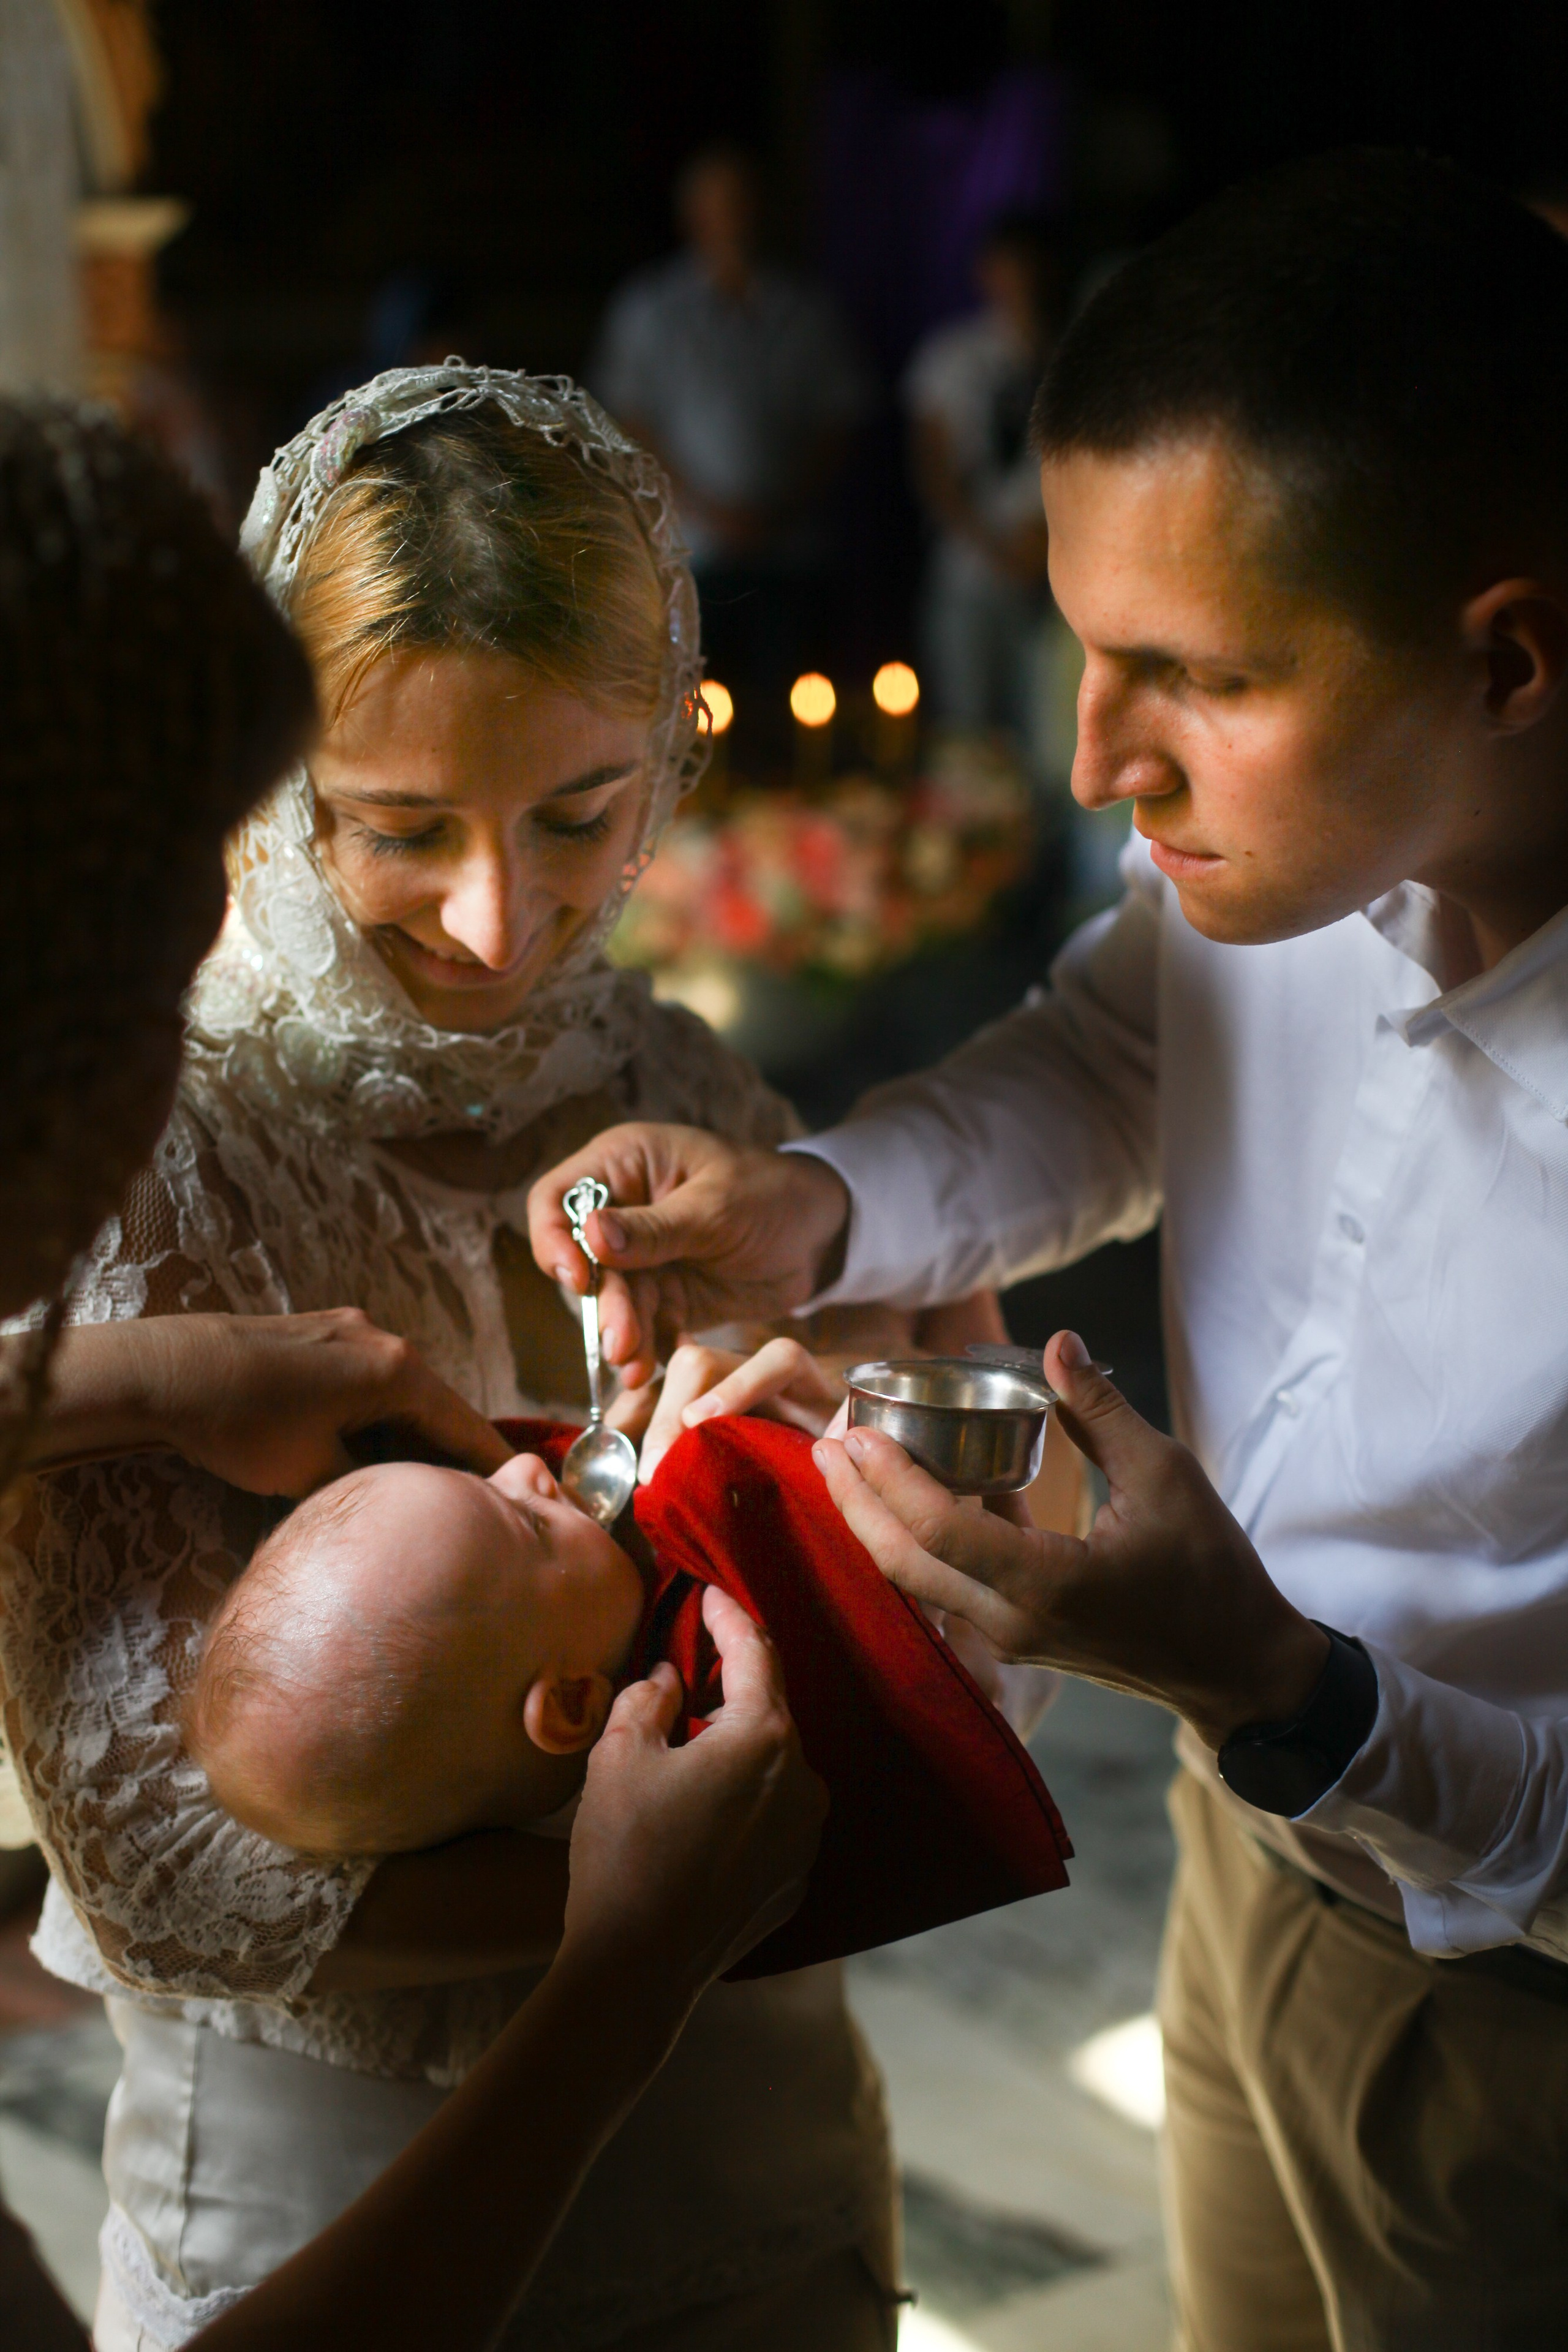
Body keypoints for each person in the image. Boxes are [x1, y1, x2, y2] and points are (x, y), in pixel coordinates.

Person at [529, 152, 1568, 2349]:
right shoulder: (1277, 871)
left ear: (1503, 660)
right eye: (1088, 652)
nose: (1096, 758)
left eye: (1186, 677)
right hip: (1238, 1868)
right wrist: (815, 1207)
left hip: (1515, 2031)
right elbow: (1114, 1057)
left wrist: (1292, 1696)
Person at [4, 364, 900, 2352]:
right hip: (323, 2185)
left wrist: (864, 1463)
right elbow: (161, 1861)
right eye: (399, 828)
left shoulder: (685, 1091)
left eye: (578, 814)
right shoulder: (139, 1117)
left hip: (758, 2164)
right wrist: (727, 1879)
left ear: (665, 749)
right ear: (269, 802)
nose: (502, 920)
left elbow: (914, 1588)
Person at [181, 1417, 1071, 1962]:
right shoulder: (711, 1725)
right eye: (527, 1524)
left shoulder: (501, 1718)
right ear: (571, 1706)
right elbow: (913, 1674)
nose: (526, 1468)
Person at [590, 145, 869, 757]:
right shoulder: (651, 310)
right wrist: (713, 509)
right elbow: (629, 421)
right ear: (692, 216)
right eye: (718, 206)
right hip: (693, 552)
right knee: (694, 709)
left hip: (790, 549)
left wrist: (780, 508)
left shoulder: (804, 310)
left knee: (792, 709)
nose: (733, 219)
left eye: (742, 204)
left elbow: (839, 420)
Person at [904, 213, 1057, 750]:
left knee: (1046, 729)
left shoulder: (1072, 353)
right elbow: (934, 467)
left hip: (1055, 579)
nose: (1020, 281)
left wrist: (1047, 546)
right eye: (1007, 268)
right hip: (968, 572)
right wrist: (992, 546)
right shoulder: (953, 356)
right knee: (967, 725)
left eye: (1031, 267)